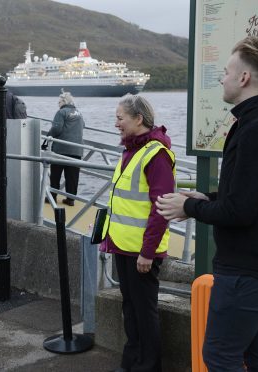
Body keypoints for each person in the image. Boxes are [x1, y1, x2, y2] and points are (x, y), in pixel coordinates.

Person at [156, 36, 258, 371]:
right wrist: (207, 198)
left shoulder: (257, 130)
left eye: (226, 71)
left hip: (249, 272)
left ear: (244, 78)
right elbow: (253, 196)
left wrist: (188, 207)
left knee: (220, 356)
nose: (222, 78)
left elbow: (240, 212)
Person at [99, 94, 175, 372]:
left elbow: (161, 208)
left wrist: (147, 252)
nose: (116, 123)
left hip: (142, 251)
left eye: (120, 118)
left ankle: (148, 367)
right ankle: (131, 362)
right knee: (130, 309)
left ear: (138, 119)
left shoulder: (156, 155)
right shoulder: (131, 151)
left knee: (144, 313)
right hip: (122, 245)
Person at [46, 91, 85, 206]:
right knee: (72, 177)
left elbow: (56, 129)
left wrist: (48, 136)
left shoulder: (61, 112)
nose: (58, 104)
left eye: (59, 102)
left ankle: (52, 197)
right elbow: (83, 125)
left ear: (64, 101)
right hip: (77, 149)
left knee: (55, 175)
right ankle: (70, 199)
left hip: (61, 149)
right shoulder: (79, 113)